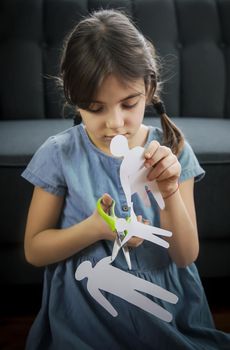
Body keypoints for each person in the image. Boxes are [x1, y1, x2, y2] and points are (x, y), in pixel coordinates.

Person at [22, 9, 230, 350]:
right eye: (95, 107)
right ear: (74, 101)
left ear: (148, 89)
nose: (115, 123)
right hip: (86, 317)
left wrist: (169, 191)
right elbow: (34, 249)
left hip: (167, 310)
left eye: (128, 103)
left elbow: (185, 255)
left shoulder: (172, 151)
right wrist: (97, 228)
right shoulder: (59, 154)